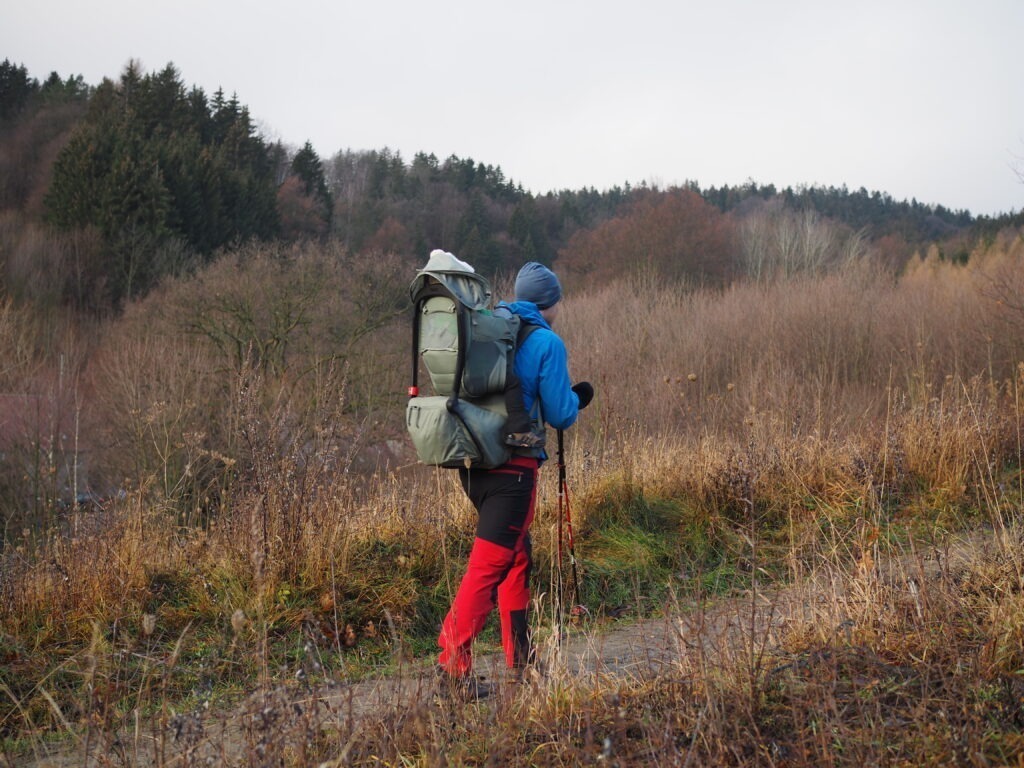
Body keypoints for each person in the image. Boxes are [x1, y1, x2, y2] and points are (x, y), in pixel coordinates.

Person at [437, 261, 594, 700]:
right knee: (489, 566)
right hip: (514, 472)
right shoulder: (546, 340)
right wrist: (578, 399)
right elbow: (562, 414)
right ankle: (452, 667)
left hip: (475, 465)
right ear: (552, 302)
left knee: (515, 555)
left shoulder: (490, 328)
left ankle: (521, 657)